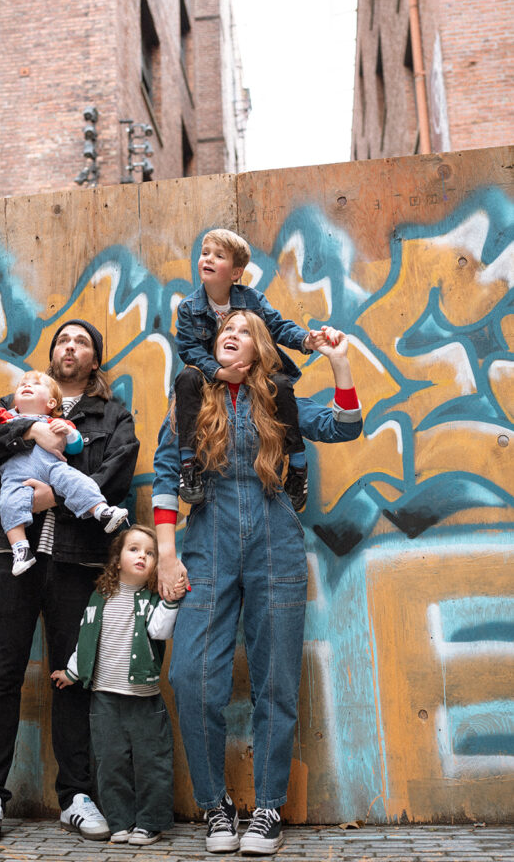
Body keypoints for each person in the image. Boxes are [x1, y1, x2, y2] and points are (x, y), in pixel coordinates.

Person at [153, 311, 362, 856]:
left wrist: (339, 362)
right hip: (205, 545)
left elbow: (345, 426)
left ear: (261, 346)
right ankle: (215, 807)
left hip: (276, 539)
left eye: (243, 329)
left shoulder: (281, 400)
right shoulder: (192, 397)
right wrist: (168, 555)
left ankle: (268, 808)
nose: (230, 332)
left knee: (275, 680)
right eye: (224, 328)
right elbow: (161, 474)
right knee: (192, 676)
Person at [0, 319, 140, 848]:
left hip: (75, 559)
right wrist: (29, 430)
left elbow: (117, 472)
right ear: (52, 354)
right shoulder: (18, 400)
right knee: (1, 674)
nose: (70, 347)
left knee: (72, 675)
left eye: (81, 341)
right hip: (6, 552)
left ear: (94, 359)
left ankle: (77, 796)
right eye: (63, 340)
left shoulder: (112, 415)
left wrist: (54, 498)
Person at [174, 229, 324, 511]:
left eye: (219, 256)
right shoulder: (188, 307)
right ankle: (188, 464)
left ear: (236, 272)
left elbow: (278, 327)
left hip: (250, 375)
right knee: (186, 377)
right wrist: (220, 374)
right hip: (210, 380)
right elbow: (189, 349)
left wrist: (305, 339)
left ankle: (298, 465)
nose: (208, 259)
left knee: (280, 383)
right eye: (205, 253)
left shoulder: (252, 299)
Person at [52, 525, 184, 847]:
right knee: (110, 763)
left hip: (144, 699)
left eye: (150, 553)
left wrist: (171, 600)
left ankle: (150, 823)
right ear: (117, 558)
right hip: (104, 700)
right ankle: (120, 822)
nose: (142, 556)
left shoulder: (153, 599)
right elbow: (87, 639)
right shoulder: (100, 597)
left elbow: (160, 631)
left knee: (151, 763)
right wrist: (72, 671)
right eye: (134, 549)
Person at [0, 370, 129, 576]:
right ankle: (20, 550)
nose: (27, 386)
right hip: (16, 476)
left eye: (36, 384)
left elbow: (75, 447)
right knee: (8, 504)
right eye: (22, 384)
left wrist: (69, 432)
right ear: (15, 401)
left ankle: (101, 511)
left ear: (52, 403)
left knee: (77, 482)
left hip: (52, 468)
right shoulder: (5, 415)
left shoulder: (55, 421)